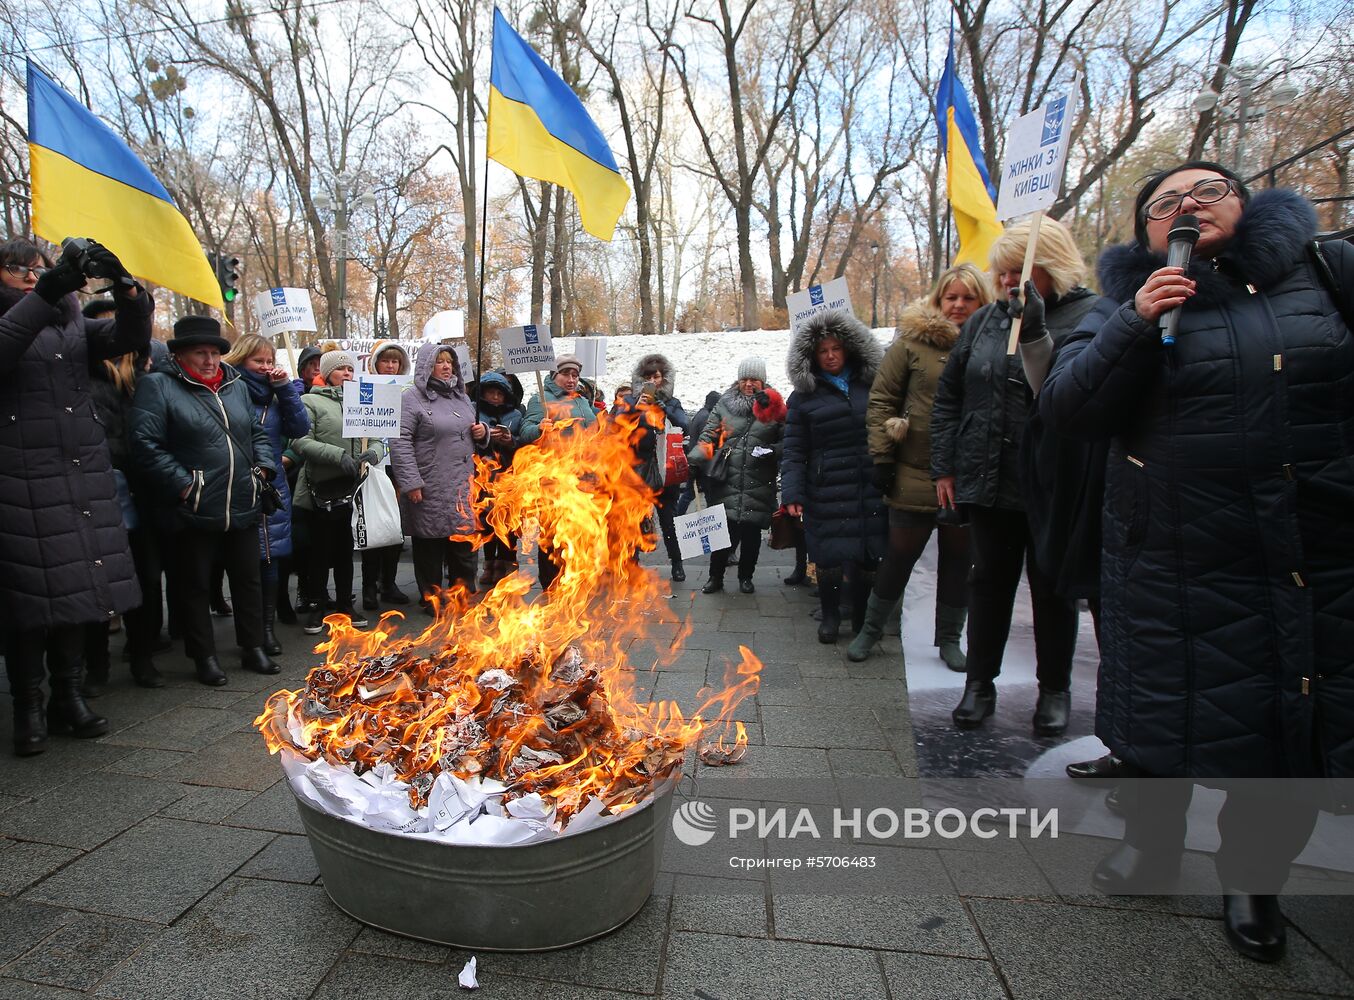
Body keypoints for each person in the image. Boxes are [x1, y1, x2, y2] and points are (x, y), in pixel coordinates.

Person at [1041, 162, 1354, 962]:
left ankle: (1254, 879)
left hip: (1307, 553)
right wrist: (1135, 323)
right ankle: (1152, 847)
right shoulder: (1122, 304)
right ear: (1147, 233)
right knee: (1159, 718)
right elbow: (1069, 407)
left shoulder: (1323, 275)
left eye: (1207, 191)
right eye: (1164, 203)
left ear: (1245, 205)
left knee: (1281, 728)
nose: (1187, 205)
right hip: (1171, 556)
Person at [930, 219, 1099, 736]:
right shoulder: (984, 323)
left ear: (1050, 266)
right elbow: (950, 396)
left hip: (1053, 483)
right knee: (988, 585)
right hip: (988, 478)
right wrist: (946, 465)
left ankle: (1054, 690)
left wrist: (1038, 332)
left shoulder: (1091, 316)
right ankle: (979, 685)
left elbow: (1081, 392)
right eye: (1000, 272)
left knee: (1052, 589)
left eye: (1016, 271)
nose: (1006, 282)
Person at [1, 237, 151, 754]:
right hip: (19, 477)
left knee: (76, 588)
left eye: (38, 267)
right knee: (25, 599)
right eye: (16, 267)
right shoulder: (25, 315)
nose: (28, 273)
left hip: (79, 472)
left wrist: (128, 288)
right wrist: (47, 289)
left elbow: (128, 336)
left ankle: (68, 695)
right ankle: (28, 705)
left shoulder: (70, 324)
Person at [850, 263, 992, 664]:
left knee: (958, 559)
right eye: (952, 297)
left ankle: (949, 639)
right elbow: (881, 402)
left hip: (969, 473)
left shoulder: (996, 341)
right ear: (939, 299)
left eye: (968, 297)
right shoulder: (912, 345)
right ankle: (871, 630)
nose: (960, 305)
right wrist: (882, 456)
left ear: (981, 299)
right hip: (914, 468)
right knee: (898, 556)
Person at [130, 316, 280, 687]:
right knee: (194, 586)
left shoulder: (235, 385)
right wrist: (185, 485)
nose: (210, 360)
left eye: (214, 352)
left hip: (242, 501)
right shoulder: (158, 387)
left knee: (248, 581)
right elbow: (145, 445)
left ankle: (253, 646)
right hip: (193, 508)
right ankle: (204, 656)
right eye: (201, 352)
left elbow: (255, 432)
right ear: (180, 354)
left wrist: (262, 468)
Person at [781, 309, 888, 642]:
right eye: (822, 351)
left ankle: (859, 618)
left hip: (868, 484)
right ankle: (829, 616)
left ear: (849, 349)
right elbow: (795, 450)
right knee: (827, 557)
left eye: (835, 349)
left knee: (868, 556)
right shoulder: (803, 398)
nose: (829, 356)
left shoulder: (871, 386)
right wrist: (793, 493)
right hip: (825, 487)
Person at [77, 301, 167, 693]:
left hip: (144, 492)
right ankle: (95, 664)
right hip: (95, 494)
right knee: (97, 579)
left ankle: (142, 654)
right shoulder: (79, 379)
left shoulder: (148, 380)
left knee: (147, 578)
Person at [222, 334, 310, 656]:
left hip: (272, 485)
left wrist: (286, 388)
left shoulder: (276, 395)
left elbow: (300, 428)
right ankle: (251, 630)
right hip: (239, 483)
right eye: (258, 361)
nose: (265, 367)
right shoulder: (230, 390)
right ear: (241, 359)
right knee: (247, 561)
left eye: (270, 361)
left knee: (272, 556)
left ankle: (268, 629)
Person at [291, 350, 384, 634]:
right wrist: (336, 455)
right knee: (319, 552)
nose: (347, 373)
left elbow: (380, 436)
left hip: (353, 491)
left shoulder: (363, 398)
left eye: (350, 368)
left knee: (346, 553)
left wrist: (373, 453)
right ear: (327, 372)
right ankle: (318, 605)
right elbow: (299, 441)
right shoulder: (310, 401)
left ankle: (345, 603)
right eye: (341, 368)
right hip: (321, 489)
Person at [390, 345, 487, 610]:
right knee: (430, 545)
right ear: (426, 367)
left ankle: (464, 596)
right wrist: (411, 482)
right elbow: (400, 441)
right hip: (430, 484)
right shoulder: (411, 398)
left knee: (464, 543)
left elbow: (470, 433)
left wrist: (482, 432)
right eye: (439, 362)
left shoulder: (462, 398)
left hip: (462, 484)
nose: (446, 367)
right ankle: (432, 598)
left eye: (449, 362)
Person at [689, 358, 785, 594]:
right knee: (722, 534)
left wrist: (773, 450)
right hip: (727, 479)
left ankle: (746, 577)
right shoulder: (725, 403)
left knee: (752, 534)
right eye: (745, 379)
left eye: (754, 379)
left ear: (763, 381)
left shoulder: (775, 406)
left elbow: (788, 438)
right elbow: (709, 434)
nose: (749, 384)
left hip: (759, 480)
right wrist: (694, 461)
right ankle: (715, 577)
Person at [519, 354, 598, 590]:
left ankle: (573, 578)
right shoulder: (541, 400)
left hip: (583, 476)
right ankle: (551, 583)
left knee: (577, 530)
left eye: (575, 375)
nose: (571, 379)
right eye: (565, 374)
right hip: (554, 478)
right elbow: (525, 431)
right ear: (555, 376)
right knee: (553, 534)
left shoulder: (583, 401)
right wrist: (538, 429)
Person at [612, 353, 690, 581]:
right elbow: (617, 427)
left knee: (669, 521)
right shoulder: (629, 402)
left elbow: (684, 425)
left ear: (663, 378)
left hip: (665, 470)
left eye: (656, 377)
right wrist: (637, 409)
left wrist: (663, 406)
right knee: (634, 520)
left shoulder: (672, 402)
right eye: (647, 377)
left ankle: (677, 563)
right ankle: (631, 563)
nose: (652, 381)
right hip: (638, 471)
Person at [358, 340, 412, 611]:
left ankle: (388, 583)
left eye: (395, 362)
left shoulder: (409, 391)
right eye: (385, 361)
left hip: (400, 465)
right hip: (374, 466)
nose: (390, 366)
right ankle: (369, 585)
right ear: (375, 364)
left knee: (394, 527)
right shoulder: (363, 388)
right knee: (374, 526)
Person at [475, 369, 524, 588]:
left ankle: (508, 563)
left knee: (508, 521)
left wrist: (509, 439)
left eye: (500, 394)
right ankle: (489, 563)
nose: (495, 398)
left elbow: (524, 441)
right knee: (487, 521)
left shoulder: (515, 414)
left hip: (509, 473)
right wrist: (485, 436)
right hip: (482, 475)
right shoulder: (475, 412)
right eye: (491, 393)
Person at [677, 389, 722, 517]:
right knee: (702, 493)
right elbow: (705, 443)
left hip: (695, 460)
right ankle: (711, 518)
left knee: (690, 493)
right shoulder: (706, 417)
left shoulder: (700, 414)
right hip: (701, 464)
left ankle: (679, 515)